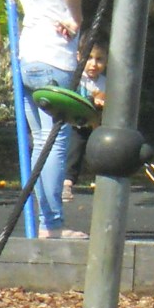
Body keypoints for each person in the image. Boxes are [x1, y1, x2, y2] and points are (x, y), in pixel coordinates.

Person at [16, 0, 87, 239]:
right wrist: (76, 18)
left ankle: (43, 221)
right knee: (56, 141)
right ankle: (52, 223)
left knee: (41, 140)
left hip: (28, 55)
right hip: (54, 57)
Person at [62, 29, 108, 203]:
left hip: (95, 125)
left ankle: (102, 180)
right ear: (79, 57)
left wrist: (103, 102)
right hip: (77, 124)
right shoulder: (76, 78)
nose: (93, 64)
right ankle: (67, 182)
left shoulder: (105, 82)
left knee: (101, 152)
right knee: (73, 152)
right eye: (89, 58)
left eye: (99, 59)